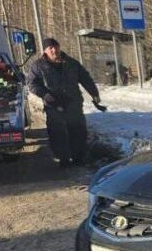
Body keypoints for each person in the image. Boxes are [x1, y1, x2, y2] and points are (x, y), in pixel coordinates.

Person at [26, 37, 107, 167]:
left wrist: (95, 94)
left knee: (78, 130)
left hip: (73, 102)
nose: (54, 50)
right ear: (45, 51)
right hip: (53, 104)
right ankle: (63, 159)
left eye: (56, 46)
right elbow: (32, 84)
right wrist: (45, 95)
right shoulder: (38, 66)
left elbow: (85, 78)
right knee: (58, 133)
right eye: (50, 48)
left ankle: (78, 158)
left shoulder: (72, 63)